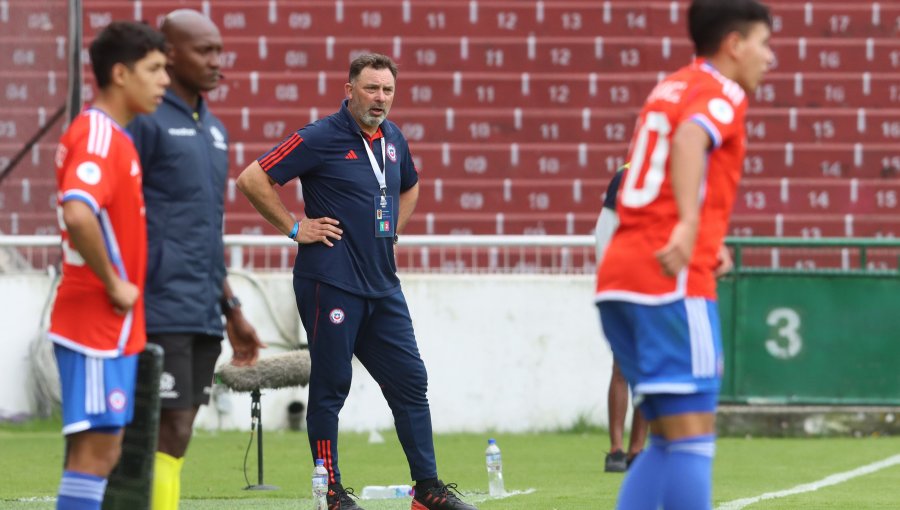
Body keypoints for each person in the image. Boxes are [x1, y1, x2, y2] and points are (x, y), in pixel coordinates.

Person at [236, 53, 477, 510]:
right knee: (332, 383)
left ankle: (427, 491)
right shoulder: (319, 136)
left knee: (411, 380)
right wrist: (294, 227)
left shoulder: (393, 139)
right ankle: (330, 492)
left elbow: (409, 186)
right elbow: (253, 178)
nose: (380, 98)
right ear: (349, 90)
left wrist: (390, 232)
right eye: (371, 88)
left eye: (387, 90)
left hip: (383, 285)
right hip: (331, 281)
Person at [595, 0, 772, 508]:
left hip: (621, 277)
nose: (768, 57)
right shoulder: (721, 91)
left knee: (669, 441)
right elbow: (694, 135)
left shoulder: (668, 86)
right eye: (763, 43)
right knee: (692, 441)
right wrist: (690, 228)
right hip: (669, 281)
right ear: (734, 44)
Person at [126, 10, 264, 510]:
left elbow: (206, 232)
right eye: (204, 50)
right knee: (164, 426)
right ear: (168, 52)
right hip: (156, 303)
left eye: (219, 50)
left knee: (179, 433)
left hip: (202, 305)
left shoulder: (216, 131)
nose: (216, 62)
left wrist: (231, 309)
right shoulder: (143, 121)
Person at [47, 21, 169, 510]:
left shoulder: (114, 135)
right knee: (96, 453)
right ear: (120, 73)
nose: (164, 80)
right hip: (95, 322)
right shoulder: (98, 135)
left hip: (109, 327)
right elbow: (78, 209)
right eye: (155, 69)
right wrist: (115, 282)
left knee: (102, 449)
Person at [593, 164, 649, 473]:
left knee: (647, 371)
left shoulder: (675, 173)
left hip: (657, 290)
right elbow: (605, 231)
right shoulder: (627, 175)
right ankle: (616, 449)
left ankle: (637, 450)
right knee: (622, 365)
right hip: (627, 287)